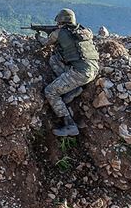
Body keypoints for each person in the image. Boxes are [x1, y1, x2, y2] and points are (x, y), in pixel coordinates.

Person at [39, 8, 99, 137]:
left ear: (61, 21)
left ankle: (70, 125)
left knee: (50, 91)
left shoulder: (59, 33)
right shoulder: (84, 31)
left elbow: (45, 43)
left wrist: (39, 36)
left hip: (80, 73)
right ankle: (72, 90)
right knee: (54, 60)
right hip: (93, 70)